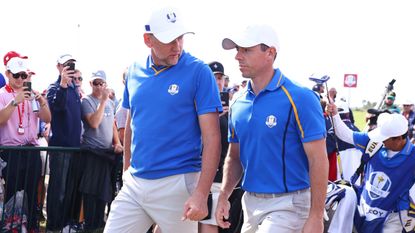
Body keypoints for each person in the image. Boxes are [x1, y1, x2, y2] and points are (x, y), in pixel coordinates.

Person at [104, 7, 222, 233]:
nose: (177, 45)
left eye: (180, 37)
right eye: (169, 39)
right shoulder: (133, 71)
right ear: (148, 40)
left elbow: (212, 137)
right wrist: (127, 170)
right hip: (135, 184)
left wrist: (200, 193)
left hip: (178, 184)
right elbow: (131, 123)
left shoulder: (199, 72)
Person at [215, 24, 328, 233]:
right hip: (250, 203)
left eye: (246, 50)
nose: (238, 56)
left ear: (270, 53)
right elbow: (234, 156)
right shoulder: (238, 101)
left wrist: (316, 216)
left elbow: (318, 159)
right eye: (237, 50)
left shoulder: (300, 98)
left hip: (290, 206)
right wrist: (224, 195)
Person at [326, 103, 415, 232]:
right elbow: (345, 134)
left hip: (392, 217)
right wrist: (335, 115)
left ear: (399, 139)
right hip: (363, 209)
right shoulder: (374, 142)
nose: (382, 141)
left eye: (385, 138)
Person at [0, 55, 51, 231]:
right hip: (11, 152)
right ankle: (10, 226)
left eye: (24, 75)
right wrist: (15, 101)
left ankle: (30, 226)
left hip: (31, 150)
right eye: (17, 75)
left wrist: (42, 103)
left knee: (31, 191)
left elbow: (47, 118)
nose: (21, 79)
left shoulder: (32, 95)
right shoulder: (2, 94)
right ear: (7, 73)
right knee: (12, 191)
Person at [199, 62, 244, 233]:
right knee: (208, 224)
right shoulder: (198, 104)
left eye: (220, 78)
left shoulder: (230, 107)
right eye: (214, 77)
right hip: (206, 175)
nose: (218, 81)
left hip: (223, 176)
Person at [80, 70, 123, 231]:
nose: (98, 87)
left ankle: (100, 223)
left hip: (107, 153)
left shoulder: (111, 103)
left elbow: (112, 123)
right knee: (91, 191)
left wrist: (117, 142)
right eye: (95, 83)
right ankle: (90, 224)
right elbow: (94, 123)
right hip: (92, 152)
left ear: (105, 84)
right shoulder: (87, 100)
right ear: (90, 84)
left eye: (101, 83)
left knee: (105, 191)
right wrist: (103, 101)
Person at [46, 53, 83, 231]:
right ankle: (53, 226)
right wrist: (62, 85)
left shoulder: (75, 88)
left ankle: (65, 224)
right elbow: (56, 107)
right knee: (58, 190)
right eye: (66, 64)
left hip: (75, 148)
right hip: (60, 148)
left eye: (72, 64)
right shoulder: (54, 87)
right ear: (59, 67)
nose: (69, 67)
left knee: (69, 190)